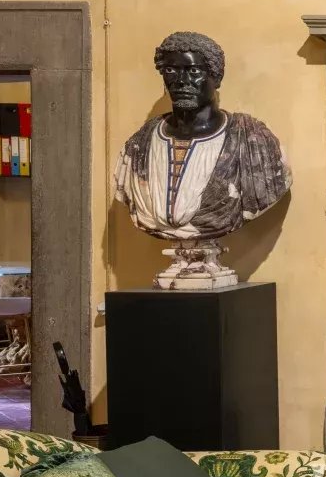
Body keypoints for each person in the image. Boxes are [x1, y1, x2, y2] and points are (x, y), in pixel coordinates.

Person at [114, 31, 290, 286]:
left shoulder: (252, 141)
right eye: (171, 71)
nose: (181, 81)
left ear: (216, 77)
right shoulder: (139, 146)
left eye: (194, 71)